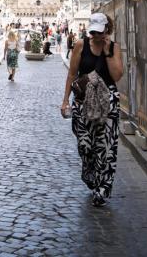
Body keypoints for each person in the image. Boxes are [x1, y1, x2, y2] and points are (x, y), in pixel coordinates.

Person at [60, 13, 124, 207]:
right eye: (93, 31)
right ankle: (89, 171)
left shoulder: (114, 48)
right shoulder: (81, 45)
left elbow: (116, 75)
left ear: (107, 29)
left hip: (108, 103)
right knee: (85, 146)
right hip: (82, 101)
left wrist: (106, 51)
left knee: (106, 147)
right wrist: (65, 101)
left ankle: (102, 189)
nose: (96, 35)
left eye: (99, 31)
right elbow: (72, 74)